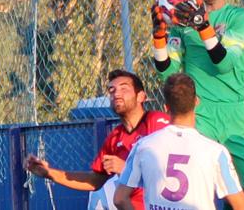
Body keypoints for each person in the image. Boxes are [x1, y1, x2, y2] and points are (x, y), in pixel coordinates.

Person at [151, 0, 244, 193]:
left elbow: (223, 64)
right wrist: (159, 37)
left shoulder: (239, 18)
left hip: (234, 115)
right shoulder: (182, 24)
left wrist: (203, 27)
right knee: (196, 191)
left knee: (237, 196)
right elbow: (166, 74)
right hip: (199, 114)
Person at [114, 73, 244, 210]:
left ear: (166, 107)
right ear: (196, 102)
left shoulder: (144, 146)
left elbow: (120, 199)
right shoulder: (215, 152)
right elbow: (241, 205)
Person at [25, 69, 170, 210]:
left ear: (141, 97)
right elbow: (94, 181)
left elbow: (170, 172)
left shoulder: (156, 122)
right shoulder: (115, 137)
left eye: (124, 88)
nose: (117, 94)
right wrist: (49, 173)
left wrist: (126, 169)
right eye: (112, 90)